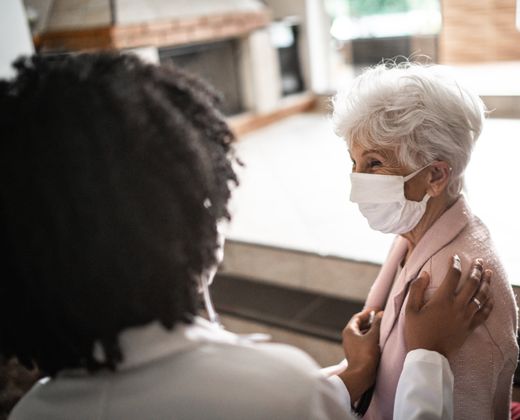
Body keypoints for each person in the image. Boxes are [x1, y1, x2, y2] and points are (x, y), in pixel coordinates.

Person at [0, 53, 492, 420]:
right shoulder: (279, 389)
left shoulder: (32, 410)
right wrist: (428, 355)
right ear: (196, 213)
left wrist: (349, 376)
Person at [331, 61, 519, 420]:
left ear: (435, 175)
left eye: (373, 164)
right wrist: (354, 370)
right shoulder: (412, 234)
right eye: (353, 161)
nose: (357, 181)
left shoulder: (457, 285)